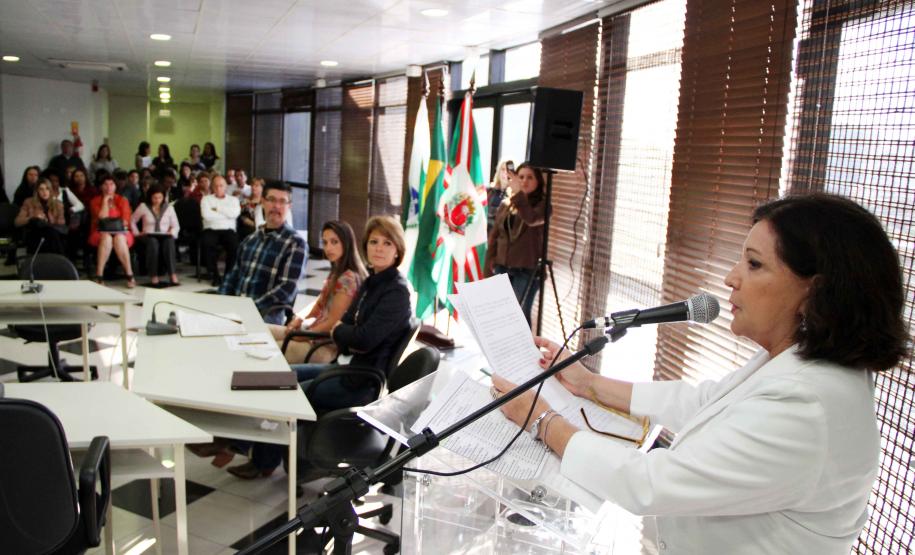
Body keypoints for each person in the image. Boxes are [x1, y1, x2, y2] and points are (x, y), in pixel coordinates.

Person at [494, 194, 909, 553]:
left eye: (754, 264)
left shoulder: (807, 405)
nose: (731, 278)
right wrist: (590, 384)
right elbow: (701, 402)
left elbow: (650, 484)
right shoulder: (797, 362)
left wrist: (543, 421)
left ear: (814, 291)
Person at [224, 215, 411, 480]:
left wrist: (344, 332)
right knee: (278, 378)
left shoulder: (395, 291)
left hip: (361, 382)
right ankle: (248, 446)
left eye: (387, 243)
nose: (379, 248)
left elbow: (362, 338)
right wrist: (345, 332)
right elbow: (347, 326)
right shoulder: (372, 281)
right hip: (348, 368)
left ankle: (264, 461)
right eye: (373, 242)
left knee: (285, 393)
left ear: (398, 250)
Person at [269, 220, 367, 364]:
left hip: (325, 347)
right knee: (263, 333)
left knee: (267, 351)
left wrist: (303, 335)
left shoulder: (349, 278)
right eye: (325, 242)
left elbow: (333, 322)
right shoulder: (336, 271)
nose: (328, 248)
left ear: (346, 243)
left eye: (334, 242)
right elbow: (319, 305)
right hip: (313, 335)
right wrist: (299, 319)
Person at [218, 181, 306, 324]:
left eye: (282, 201)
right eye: (271, 200)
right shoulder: (249, 240)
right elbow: (233, 276)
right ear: (263, 202)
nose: (276, 206)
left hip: (266, 313)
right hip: (237, 309)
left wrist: (250, 308)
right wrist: (221, 301)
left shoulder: (295, 243)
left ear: (289, 206)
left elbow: (286, 290)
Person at [483, 161, 545, 323]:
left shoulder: (543, 205)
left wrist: (519, 195)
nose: (524, 181)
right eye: (521, 177)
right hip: (502, 266)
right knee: (501, 314)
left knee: (519, 314)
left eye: (530, 177)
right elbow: (495, 235)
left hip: (526, 270)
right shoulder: (507, 204)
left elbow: (531, 219)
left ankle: (524, 348)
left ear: (538, 182)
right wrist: (489, 263)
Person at [88, 176, 135, 287]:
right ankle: (99, 275)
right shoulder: (95, 201)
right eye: (105, 184)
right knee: (106, 238)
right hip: (99, 232)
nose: (109, 187)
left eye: (111, 184)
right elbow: (101, 218)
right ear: (101, 186)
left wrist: (113, 225)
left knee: (119, 238)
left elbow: (125, 221)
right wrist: (105, 201)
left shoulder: (122, 200)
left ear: (115, 186)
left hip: (121, 232)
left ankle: (129, 273)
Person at [131, 185, 180, 286]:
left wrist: (172, 233)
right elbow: (132, 220)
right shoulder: (143, 206)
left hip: (164, 235)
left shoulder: (169, 208)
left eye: (160, 197)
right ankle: (153, 275)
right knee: (153, 243)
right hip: (148, 235)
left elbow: (176, 225)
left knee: (169, 241)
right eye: (155, 198)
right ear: (150, 197)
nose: (157, 200)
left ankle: (172, 274)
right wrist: (137, 233)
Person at [200, 174, 241, 286]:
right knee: (207, 243)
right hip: (211, 229)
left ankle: (228, 275)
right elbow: (207, 215)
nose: (218, 188)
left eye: (221, 185)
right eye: (216, 186)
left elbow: (235, 214)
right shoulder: (206, 199)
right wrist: (226, 214)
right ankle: (215, 275)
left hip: (228, 230)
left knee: (234, 245)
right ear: (212, 187)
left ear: (226, 186)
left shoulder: (233, 200)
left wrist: (217, 209)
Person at [14, 178, 66, 254]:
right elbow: (17, 222)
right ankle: (61, 260)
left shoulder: (58, 203)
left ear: (50, 190)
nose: (44, 192)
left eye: (47, 189)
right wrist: (33, 217)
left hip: (53, 232)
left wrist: (49, 221)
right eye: (41, 189)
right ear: (37, 191)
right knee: (37, 222)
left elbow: (62, 222)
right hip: (35, 233)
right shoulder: (28, 202)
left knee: (50, 232)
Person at [486, 159, 514, 231]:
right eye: (503, 169)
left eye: (508, 170)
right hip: (485, 231)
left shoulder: (515, 194)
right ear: (498, 171)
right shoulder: (489, 190)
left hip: (502, 234)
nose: (505, 172)